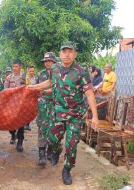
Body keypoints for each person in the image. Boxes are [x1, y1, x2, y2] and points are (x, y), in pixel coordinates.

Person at [28, 41, 98, 185]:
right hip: (58, 112)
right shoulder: (54, 68)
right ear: (60, 54)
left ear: (74, 54)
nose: (67, 54)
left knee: (72, 144)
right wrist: (33, 87)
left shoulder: (81, 71)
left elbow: (90, 93)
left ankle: (67, 169)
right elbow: (49, 82)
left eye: (70, 51)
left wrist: (95, 116)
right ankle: (56, 149)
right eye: (64, 51)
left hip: (75, 115)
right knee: (51, 139)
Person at [35, 52, 58, 166]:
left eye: (50, 61)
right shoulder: (40, 75)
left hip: (55, 106)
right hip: (43, 105)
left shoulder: (59, 74)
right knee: (42, 128)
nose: (47, 63)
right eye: (46, 61)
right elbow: (36, 90)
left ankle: (50, 151)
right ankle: (41, 155)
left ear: (54, 62)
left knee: (53, 129)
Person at [4, 60, 26, 152]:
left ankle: (20, 142)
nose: (15, 68)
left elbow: (30, 88)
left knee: (21, 123)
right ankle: (13, 134)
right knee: (10, 123)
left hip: (22, 104)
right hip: (11, 104)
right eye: (13, 66)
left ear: (20, 67)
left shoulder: (25, 77)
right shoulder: (8, 78)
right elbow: (5, 91)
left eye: (16, 66)